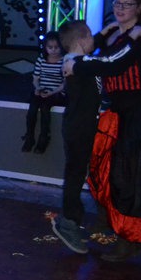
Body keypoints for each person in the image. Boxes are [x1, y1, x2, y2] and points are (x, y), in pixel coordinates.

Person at [67, 0, 141, 261]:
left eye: (127, 4)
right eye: (117, 3)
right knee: (103, 172)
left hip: (137, 115)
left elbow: (112, 63)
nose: (120, 8)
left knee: (128, 178)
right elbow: (88, 45)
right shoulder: (115, 33)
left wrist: (77, 64)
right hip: (116, 113)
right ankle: (110, 222)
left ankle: (129, 240)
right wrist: (104, 32)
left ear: (139, 7)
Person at [50, 21, 103, 254]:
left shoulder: (80, 62)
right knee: (75, 173)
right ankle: (68, 222)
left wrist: (107, 32)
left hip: (82, 126)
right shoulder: (77, 64)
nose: (94, 40)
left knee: (79, 172)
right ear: (82, 40)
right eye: (90, 36)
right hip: (79, 128)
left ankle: (74, 219)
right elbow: (108, 63)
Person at [21, 31, 65, 153]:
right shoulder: (41, 59)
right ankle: (29, 136)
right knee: (32, 109)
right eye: (50, 47)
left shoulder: (64, 61)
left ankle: (44, 137)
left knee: (45, 108)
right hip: (42, 90)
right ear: (45, 47)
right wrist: (37, 88)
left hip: (56, 92)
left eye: (56, 47)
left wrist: (52, 92)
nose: (53, 50)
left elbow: (65, 84)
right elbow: (35, 78)